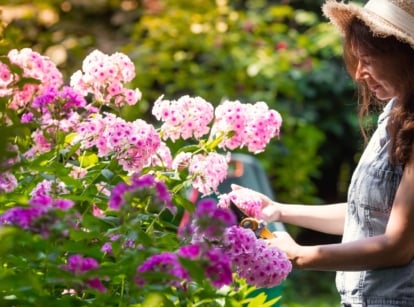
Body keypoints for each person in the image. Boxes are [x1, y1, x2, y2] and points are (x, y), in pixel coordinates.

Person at [231, 0, 414, 306]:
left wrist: (301, 256)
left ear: (404, 56)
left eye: (367, 59)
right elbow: (367, 215)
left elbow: (399, 246)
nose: (358, 73)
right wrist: (278, 210)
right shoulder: (396, 114)